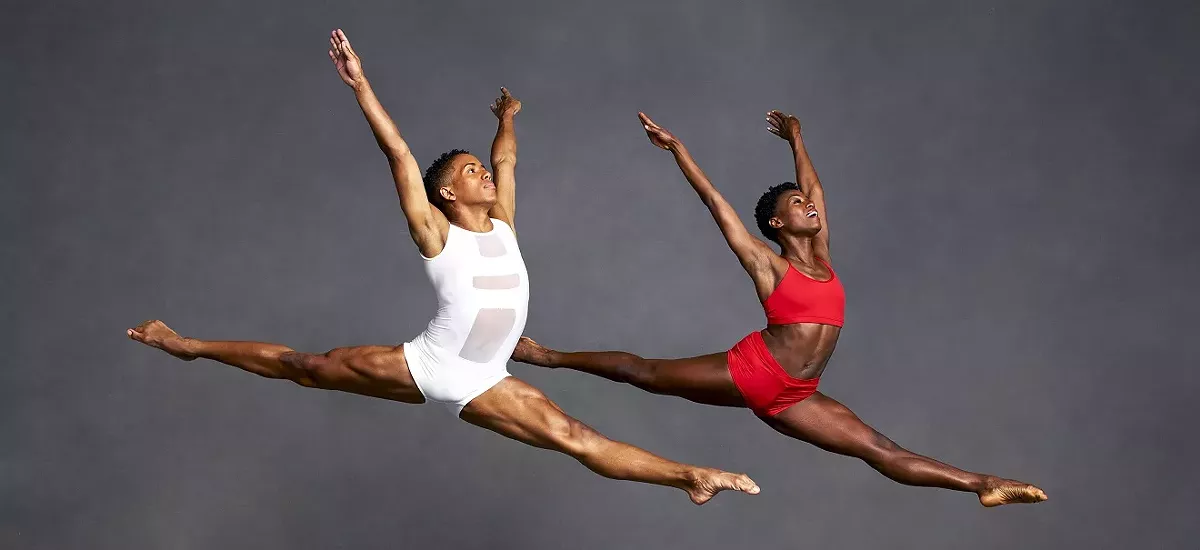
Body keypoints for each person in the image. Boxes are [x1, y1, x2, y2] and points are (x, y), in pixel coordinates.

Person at [126, 29, 759, 505]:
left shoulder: (504, 223)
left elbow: (506, 161)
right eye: (468, 172)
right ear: (448, 196)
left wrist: (507, 120)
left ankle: (690, 476)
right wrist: (361, 84)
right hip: (436, 363)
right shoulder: (437, 236)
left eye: (478, 168)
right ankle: (187, 346)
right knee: (303, 366)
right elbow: (398, 153)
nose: (482, 173)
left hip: (485, 372)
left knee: (575, 436)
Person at [512, 110, 1048, 507]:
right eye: (796, 206)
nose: (809, 206)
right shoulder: (769, 265)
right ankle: (550, 357)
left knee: (879, 448)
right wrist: (679, 151)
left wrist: (797, 138)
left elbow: (814, 186)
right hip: (755, 371)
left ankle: (984, 485)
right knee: (646, 373)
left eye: (808, 203)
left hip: (796, 395)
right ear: (776, 225)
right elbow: (716, 206)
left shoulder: (824, 256)